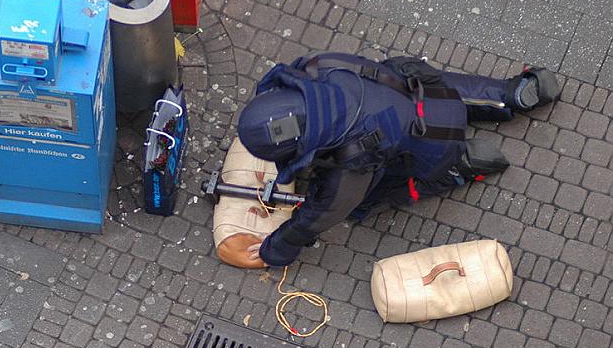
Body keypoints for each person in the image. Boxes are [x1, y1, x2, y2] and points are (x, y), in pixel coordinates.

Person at [236, 53, 560, 267]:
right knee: (439, 91)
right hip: (419, 91)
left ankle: (461, 165)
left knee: (367, 202)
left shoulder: (353, 157)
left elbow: (328, 211)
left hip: (434, 146)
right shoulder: (319, 68)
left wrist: (277, 249)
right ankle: (508, 95)